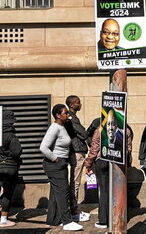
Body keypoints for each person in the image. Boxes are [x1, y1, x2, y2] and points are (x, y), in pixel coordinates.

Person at [40, 104, 83, 231]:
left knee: (56, 193)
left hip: (60, 163)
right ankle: (67, 221)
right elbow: (43, 147)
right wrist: (55, 158)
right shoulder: (54, 128)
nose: (68, 115)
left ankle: (53, 220)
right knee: (63, 192)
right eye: (65, 113)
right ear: (58, 115)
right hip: (55, 165)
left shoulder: (62, 126)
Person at [0, 109, 22, 228]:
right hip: (10, 166)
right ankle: (3, 219)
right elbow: (16, 151)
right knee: (9, 192)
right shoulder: (10, 135)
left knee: (6, 191)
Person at [65, 95, 90, 223]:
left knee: (75, 181)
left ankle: (74, 209)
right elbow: (84, 133)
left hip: (76, 150)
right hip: (76, 151)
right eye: (77, 103)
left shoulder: (71, 117)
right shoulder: (71, 117)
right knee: (75, 182)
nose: (80, 104)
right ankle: (74, 211)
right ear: (71, 104)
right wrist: (83, 133)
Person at [84, 117, 109, 230]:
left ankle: (104, 220)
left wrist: (88, 163)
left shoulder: (99, 129)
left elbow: (94, 148)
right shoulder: (123, 128)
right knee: (115, 190)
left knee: (104, 191)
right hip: (117, 163)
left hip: (102, 161)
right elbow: (128, 147)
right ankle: (116, 217)